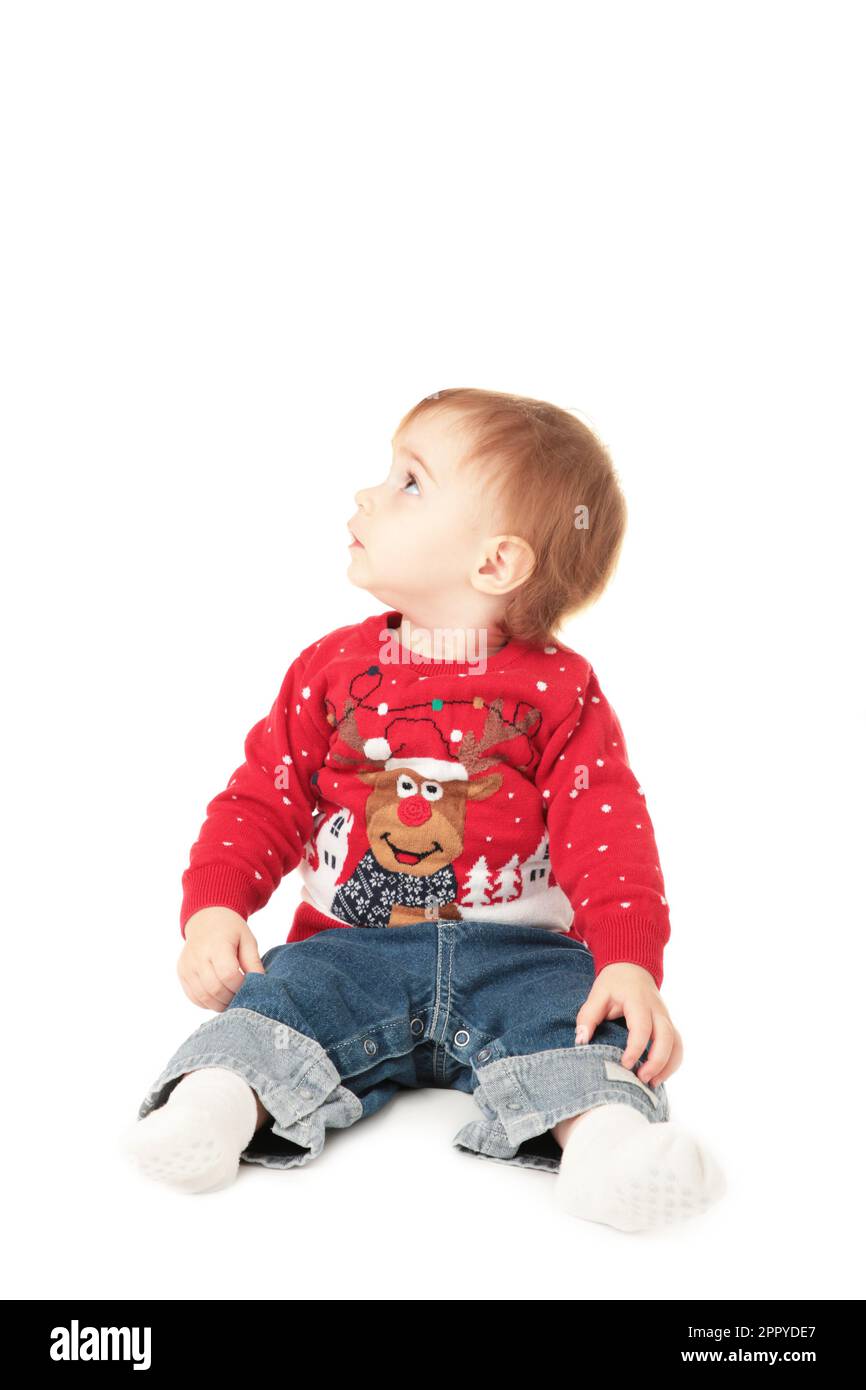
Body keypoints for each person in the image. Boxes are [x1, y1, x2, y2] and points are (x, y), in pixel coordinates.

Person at [119, 386, 726, 1233]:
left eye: (409, 482)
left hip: (523, 959)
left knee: (586, 1030)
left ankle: (607, 1152)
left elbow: (609, 830)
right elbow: (264, 794)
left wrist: (628, 960)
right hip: (348, 947)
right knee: (274, 1004)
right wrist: (215, 906)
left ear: (494, 564)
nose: (367, 496)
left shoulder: (561, 691)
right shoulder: (329, 670)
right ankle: (212, 1108)